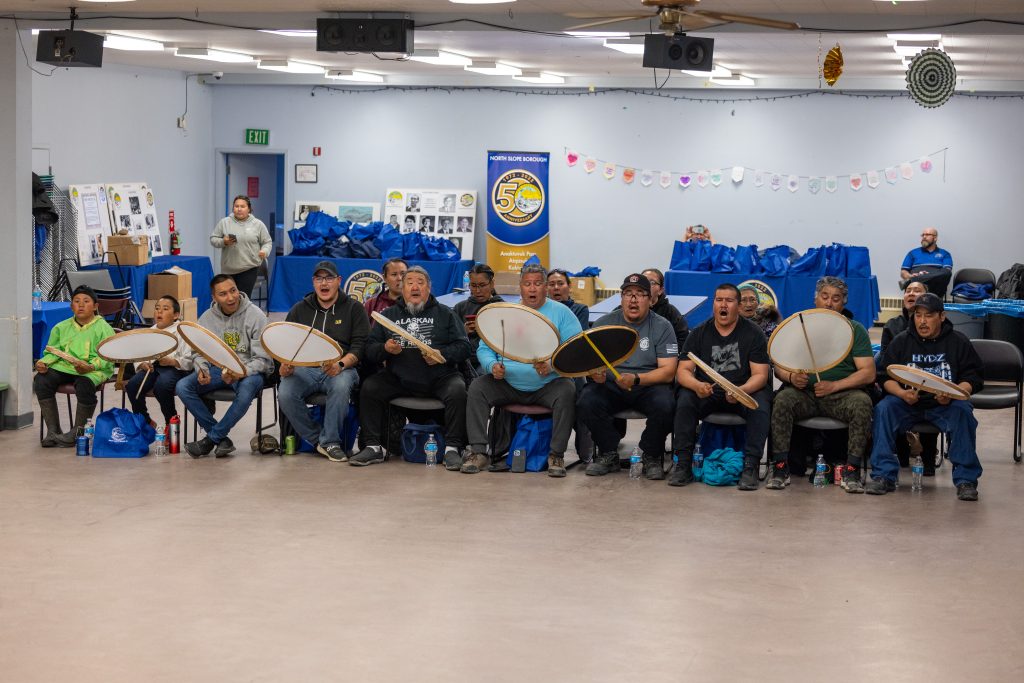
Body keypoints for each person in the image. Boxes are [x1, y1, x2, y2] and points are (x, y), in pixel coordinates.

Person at [461, 265, 583, 477]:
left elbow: (575, 351)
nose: (532, 288)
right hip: (507, 382)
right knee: (478, 387)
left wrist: (552, 365)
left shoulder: (563, 313)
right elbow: (484, 348)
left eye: (537, 283)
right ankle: (478, 452)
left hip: (547, 385)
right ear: (520, 287)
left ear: (546, 287)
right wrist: (492, 366)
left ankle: (556, 455)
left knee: (567, 389)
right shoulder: (505, 312)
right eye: (527, 284)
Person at [350, 267, 471, 467]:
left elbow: (464, 347)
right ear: (403, 288)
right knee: (370, 387)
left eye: (420, 282)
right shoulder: (389, 315)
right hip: (399, 379)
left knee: (457, 390)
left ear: (429, 288)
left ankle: (452, 449)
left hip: (440, 378)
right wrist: (385, 349)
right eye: (410, 282)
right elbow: (369, 349)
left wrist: (442, 355)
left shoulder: (446, 314)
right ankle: (373, 447)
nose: (415, 287)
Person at [867, 293, 984, 501]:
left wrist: (953, 394)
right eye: (918, 315)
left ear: (941, 316)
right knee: (884, 409)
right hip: (907, 403)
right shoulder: (902, 341)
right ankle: (883, 475)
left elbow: (973, 378)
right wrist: (902, 393)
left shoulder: (958, 341)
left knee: (963, 411)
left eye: (928, 316)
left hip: (945, 404)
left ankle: (966, 480)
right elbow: (885, 376)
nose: (922, 321)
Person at [767, 276, 876, 493]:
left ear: (843, 302)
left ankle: (851, 470)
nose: (829, 303)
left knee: (862, 403)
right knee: (782, 400)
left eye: (836, 298)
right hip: (804, 393)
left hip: (841, 395)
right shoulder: (800, 327)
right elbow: (779, 365)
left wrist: (835, 386)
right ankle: (780, 468)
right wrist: (791, 377)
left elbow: (868, 373)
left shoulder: (855, 330)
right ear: (815, 299)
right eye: (824, 297)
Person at [669, 283, 771, 490]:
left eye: (729, 301)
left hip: (742, 390)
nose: (723, 305)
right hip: (708, 392)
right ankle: (684, 464)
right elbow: (683, 371)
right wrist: (697, 385)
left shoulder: (754, 333)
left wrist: (741, 391)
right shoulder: (699, 333)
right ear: (714, 304)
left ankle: (750, 466)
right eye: (719, 300)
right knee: (685, 400)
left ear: (738, 306)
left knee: (760, 404)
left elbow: (761, 375)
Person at [579, 274, 679, 479]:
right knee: (586, 400)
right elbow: (590, 363)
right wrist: (595, 374)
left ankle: (651, 455)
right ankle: (608, 453)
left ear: (650, 300)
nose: (633, 299)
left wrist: (636, 379)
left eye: (640, 294)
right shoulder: (604, 323)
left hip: (648, 384)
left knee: (667, 404)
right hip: (611, 384)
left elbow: (668, 372)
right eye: (628, 294)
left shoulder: (663, 326)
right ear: (621, 298)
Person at [278, 261, 369, 463]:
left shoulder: (354, 308)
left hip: (342, 367)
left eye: (329, 278)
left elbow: (360, 346)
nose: (324, 283)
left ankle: (331, 441)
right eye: (319, 279)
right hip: (305, 369)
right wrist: (285, 365)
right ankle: (321, 442)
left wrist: (341, 365)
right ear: (313, 282)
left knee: (341, 385)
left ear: (339, 281)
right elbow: (286, 344)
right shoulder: (299, 309)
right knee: (285, 392)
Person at [177, 274, 273, 457]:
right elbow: (198, 352)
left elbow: (263, 359)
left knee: (246, 391)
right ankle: (222, 440)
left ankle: (211, 439)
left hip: (249, 371)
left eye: (233, 290)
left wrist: (241, 372)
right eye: (223, 294)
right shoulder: (206, 318)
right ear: (214, 297)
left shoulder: (256, 316)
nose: (230, 297)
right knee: (183, 386)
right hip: (217, 370)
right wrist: (202, 369)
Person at [34, 286, 115, 447]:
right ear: (71, 306)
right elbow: (52, 351)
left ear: (95, 306)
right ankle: (53, 431)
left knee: (84, 384)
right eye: (76, 301)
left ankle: (78, 432)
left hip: (94, 369)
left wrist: (90, 366)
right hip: (65, 366)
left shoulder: (104, 328)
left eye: (86, 301)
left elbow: (108, 355)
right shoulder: (61, 327)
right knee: (41, 380)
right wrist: (44, 363)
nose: (81, 305)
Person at [878, 280, 939, 473]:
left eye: (917, 290)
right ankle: (900, 453)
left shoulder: (940, 330)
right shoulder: (893, 326)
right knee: (887, 401)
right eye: (908, 290)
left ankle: (928, 456)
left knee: (932, 398)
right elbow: (886, 363)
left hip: (931, 385)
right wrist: (902, 389)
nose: (911, 293)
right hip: (900, 384)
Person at [126, 295, 191, 427]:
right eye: (157, 308)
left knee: (162, 386)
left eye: (165, 309)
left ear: (176, 315)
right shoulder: (150, 331)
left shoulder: (182, 331)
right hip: (152, 368)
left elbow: (189, 359)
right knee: (132, 385)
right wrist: (142, 364)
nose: (159, 312)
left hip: (174, 368)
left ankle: (171, 423)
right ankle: (145, 421)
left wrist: (172, 361)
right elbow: (139, 354)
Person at [210, 195, 272, 297]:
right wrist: (223, 241)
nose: (239, 209)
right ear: (233, 208)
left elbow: (267, 242)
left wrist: (265, 251)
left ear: (249, 209)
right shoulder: (224, 222)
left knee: (243, 298)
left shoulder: (258, 224)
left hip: (249, 267)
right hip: (228, 269)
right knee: (229, 298)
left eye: (242, 206)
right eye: (236, 206)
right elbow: (213, 239)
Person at [452, 263, 503, 373]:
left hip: (492, 360)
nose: (478, 290)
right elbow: (450, 339)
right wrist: (463, 332)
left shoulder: (501, 308)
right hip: (463, 359)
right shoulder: (460, 308)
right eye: (473, 286)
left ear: (492, 284)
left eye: (482, 285)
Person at [642, 268, 690, 352]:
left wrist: (661, 353)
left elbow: (683, 341)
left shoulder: (671, 313)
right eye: (643, 281)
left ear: (660, 290)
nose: (646, 285)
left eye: (652, 282)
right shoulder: (625, 310)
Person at [900, 227, 953, 297]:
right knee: (916, 284)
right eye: (923, 235)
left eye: (927, 235)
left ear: (935, 238)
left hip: (935, 288)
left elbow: (946, 272)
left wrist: (921, 277)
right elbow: (903, 272)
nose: (924, 237)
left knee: (947, 272)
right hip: (916, 287)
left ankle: (914, 280)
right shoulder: (913, 253)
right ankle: (915, 280)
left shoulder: (945, 254)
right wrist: (910, 276)